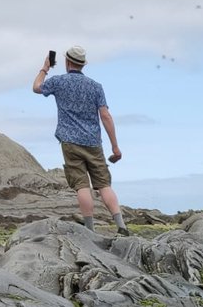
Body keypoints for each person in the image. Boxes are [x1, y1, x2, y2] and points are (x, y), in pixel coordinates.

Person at [33, 45, 130, 235]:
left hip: (69, 142)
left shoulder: (58, 82)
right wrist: (115, 147)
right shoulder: (95, 87)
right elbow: (106, 116)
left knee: (81, 185)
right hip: (93, 142)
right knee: (104, 185)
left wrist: (45, 68)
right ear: (82, 64)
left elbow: (36, 87)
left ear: (68, 62)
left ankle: (90, 231)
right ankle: (121, 226)